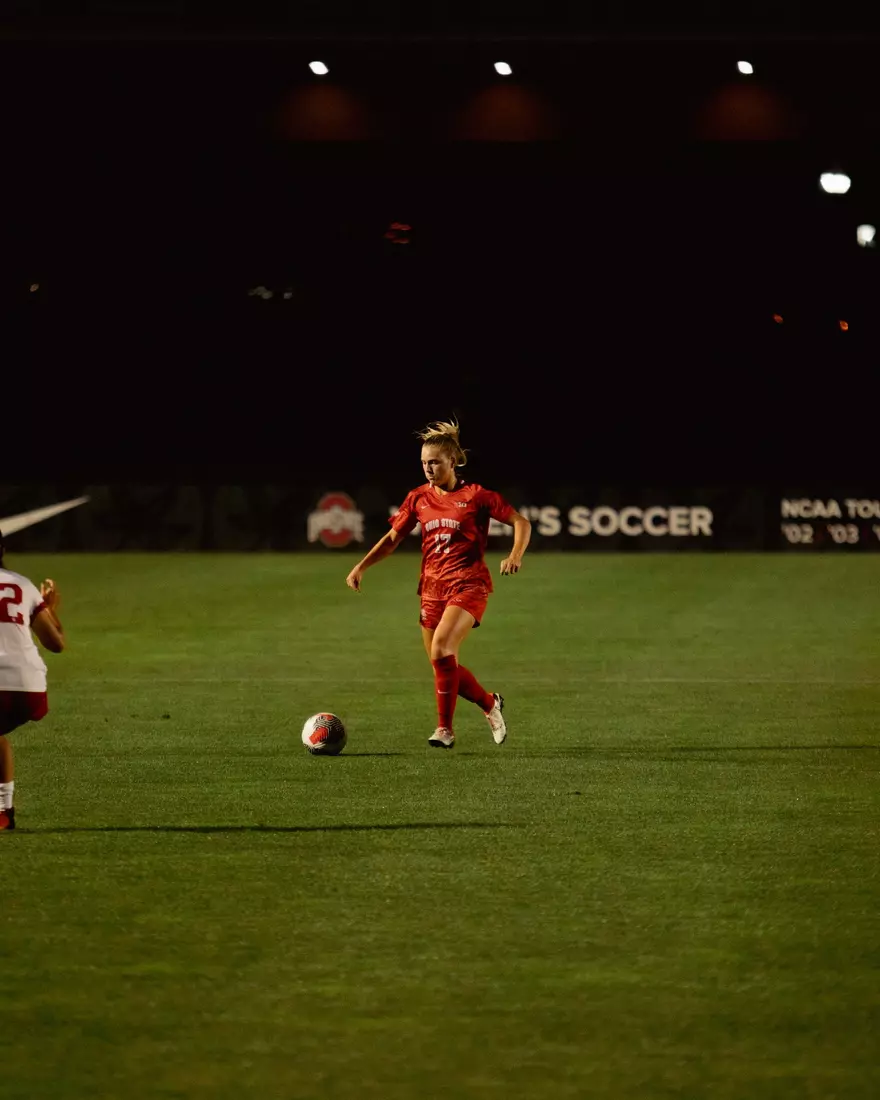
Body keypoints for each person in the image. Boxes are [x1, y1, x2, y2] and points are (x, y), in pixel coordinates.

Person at [345, 419, 531, 749]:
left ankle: (444, 730)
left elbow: (521, 521)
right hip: (431, 589)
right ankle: (490, 704)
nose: (428, 468)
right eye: (423, 463)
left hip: (468, 584)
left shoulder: (477, 496)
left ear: (452, 461)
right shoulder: (418, 498)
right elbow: (392, 538)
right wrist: (362, 566)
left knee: (443, 650)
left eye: (434, 462)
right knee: (442, 664)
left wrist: (515, 554)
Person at [0, 529, 66, 831]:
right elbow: (56, 644)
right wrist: (49, 611)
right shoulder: (23, 585)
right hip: (30, 688)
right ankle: (4, 809)